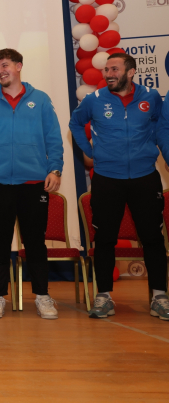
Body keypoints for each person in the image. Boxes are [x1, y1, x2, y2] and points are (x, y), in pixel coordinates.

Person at [70, 52, 169, 320]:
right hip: (106, 178)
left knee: (153, 238)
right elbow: (75, 123)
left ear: (131, 72)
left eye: (114, 69)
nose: (108, 74)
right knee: (104, 239)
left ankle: (160, 297)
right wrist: (88, 151)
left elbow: (162, 128)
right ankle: (104, 297)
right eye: (106, 70)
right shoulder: (94, 99)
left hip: (145, 177)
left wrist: (164, 154)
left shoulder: (151, 97)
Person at [0, 48, 63, 320]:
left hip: (34, 183)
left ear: (19, 66)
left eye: (5, 65)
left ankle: (43, 296)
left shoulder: (40, 100)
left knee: (35, 243)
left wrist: (55, 169)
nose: (1, 71)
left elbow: (54, 137)